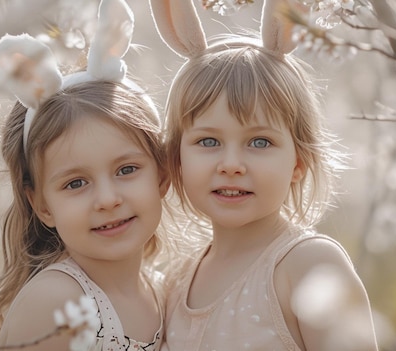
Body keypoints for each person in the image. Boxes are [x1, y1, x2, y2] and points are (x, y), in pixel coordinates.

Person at [150, 0, 379, 350]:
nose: (231, 164)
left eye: (259, 142)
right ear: (176, 158)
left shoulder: (307, 265)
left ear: (298, 162)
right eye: (208, 141)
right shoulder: (176, 282)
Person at [0, 0, 171, 350]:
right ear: (42, 205)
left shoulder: (163, 289)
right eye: (76, 183)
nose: (108, 199)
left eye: (126, 169)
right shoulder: (57, 301)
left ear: (163, 174)